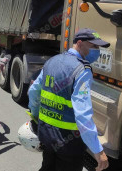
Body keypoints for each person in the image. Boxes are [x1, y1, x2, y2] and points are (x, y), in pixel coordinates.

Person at [28, 28, 110, 171]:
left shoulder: (52, 61)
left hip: (46, 134)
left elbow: (34, 92)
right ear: (79, 43)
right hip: (68, 142)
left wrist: (35, 116)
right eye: (94, 46)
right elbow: (83, 115)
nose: (97, 51)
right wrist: (98, 150)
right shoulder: (82, 70)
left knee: (47, 167)